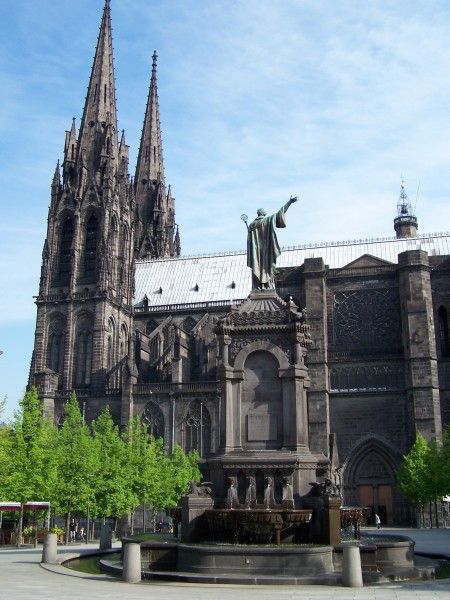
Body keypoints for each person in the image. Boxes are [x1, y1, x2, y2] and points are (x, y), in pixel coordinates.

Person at [246, 196, 298, 290]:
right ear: (262, 213)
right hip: (266, 249)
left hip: (256, 252)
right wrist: (289, 202)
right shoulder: (267, 219)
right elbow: (281, 212)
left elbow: (249, 242)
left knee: (258, 266)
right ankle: (267, 285)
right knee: (267, 267)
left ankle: (259, 286)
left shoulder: (251, 225)